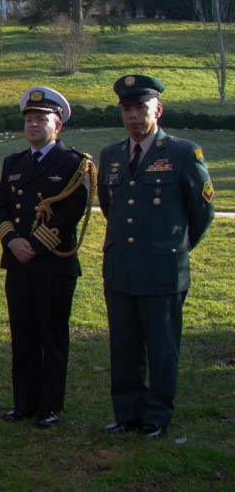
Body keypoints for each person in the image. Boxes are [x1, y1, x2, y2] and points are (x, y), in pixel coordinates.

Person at [98, 74, 215, 439]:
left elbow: (202, 212)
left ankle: (157, 416)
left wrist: (174, 247)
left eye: (141, 108)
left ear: (158, 110)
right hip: (121, 268)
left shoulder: (182, 153)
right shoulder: (111, 156)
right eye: (127, 109)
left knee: (163, 348)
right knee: (124, 344)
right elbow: (109, 205)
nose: (133, 116)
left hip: (163, 269)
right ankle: (127, 413)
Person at [0, 87, 94, 428]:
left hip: (53, 262)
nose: (34, 125)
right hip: (18, 262)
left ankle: (50, 405)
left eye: (42, 119)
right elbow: (2, 208)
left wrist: (34, 243)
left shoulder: (73, 163)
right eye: (30, 119)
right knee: (22, 335)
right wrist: (12, 242)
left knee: (51, 335)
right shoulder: (13, 163)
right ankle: (23, 403)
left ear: (58, 126)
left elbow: (72, 210)